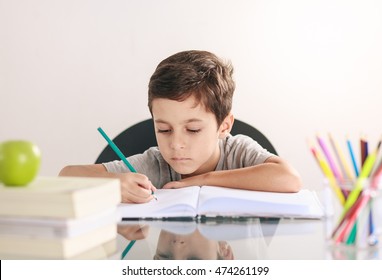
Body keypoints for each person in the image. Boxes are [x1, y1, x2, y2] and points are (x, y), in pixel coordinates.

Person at [59, 50, 302, 203]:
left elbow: (289, 179)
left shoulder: (238, 152)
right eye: (164, 130)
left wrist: (201, 180)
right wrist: (115, 183)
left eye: (193, 130)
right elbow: (66, 176)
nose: (175, 144)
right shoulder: (155, 164)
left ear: (224, 125)